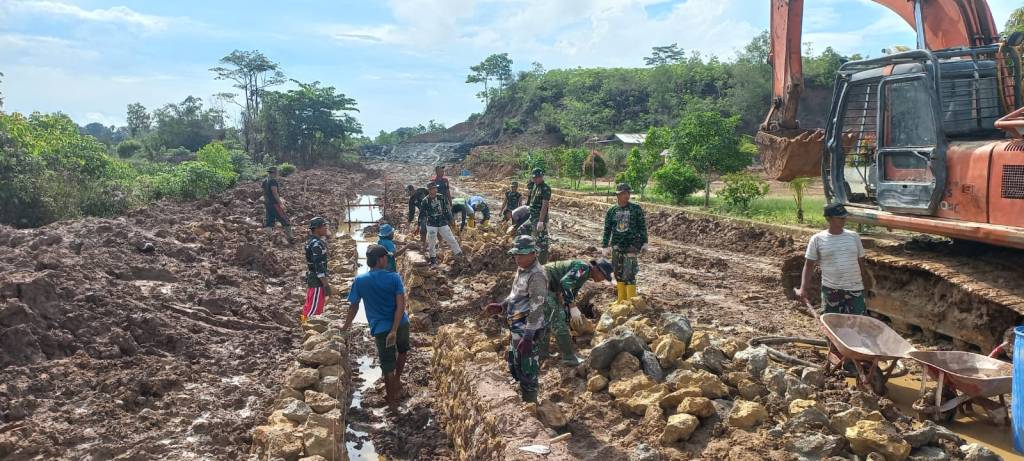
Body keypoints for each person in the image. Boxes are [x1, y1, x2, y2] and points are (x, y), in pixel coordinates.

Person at [343, 244, 410, 408]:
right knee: (402, 351)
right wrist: (394, 329)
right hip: (400, 323)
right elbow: (401, 305)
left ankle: (391, 399)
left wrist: (345, 326)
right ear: (380, 260)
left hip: (381, 329)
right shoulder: (394, 277)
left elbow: (354, 306)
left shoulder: (360, 280)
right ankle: (398, 379)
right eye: (385, 257)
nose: (387, 259)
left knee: (387, 364)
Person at [483, 235, 548, 403]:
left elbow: (537, 308)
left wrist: (527, 337)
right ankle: (521, 399)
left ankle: (530, 405)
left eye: (521, 255)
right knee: (515, 364)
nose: (517, 258)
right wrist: (502, 305)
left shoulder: (537, 276)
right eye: (516, 255)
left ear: (533, 253)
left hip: (529, 329)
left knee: (528, 370)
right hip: (517, 325)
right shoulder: (522, 269)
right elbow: (515, 294)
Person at [795, 203, 873, 314]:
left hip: (855, 289)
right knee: (833, 323)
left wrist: (865, 285)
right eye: (840, 218)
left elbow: (861, 263)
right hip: (831, 290)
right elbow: (809, 265)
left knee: (857, 324)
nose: (844, 220)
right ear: (828, 218)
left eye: (845, 217)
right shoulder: (817, 239)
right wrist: (803, 288)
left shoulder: (854, 236)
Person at [541, 258, 614, 366]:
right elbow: (565, 282)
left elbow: (569, 290)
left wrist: (568, 309)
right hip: (540, 282)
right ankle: (569, 357)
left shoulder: (584, 274)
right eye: (603, 276)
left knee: (548, 318)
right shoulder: (583, 268)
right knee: (557, 318)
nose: (602, 280)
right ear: (598, 270)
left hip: (544, 284)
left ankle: (542, 353)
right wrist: (572, 306)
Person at [601, 183, 648, 301]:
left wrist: (644, 242)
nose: (627, 196)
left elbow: (642, 226)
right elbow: (607, 229)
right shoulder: (612, 211)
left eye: (628, 193)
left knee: (629, 273)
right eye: (624, 193)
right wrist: (605, 245)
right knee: (618, 273)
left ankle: (631, 301)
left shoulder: (636, 209)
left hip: (632, 246)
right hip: (617, 246)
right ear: (618, 195)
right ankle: (621, 300)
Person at [419, 182, 463, 266]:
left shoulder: (441, 197)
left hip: (442, 222)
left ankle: (459, 254)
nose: (435, 190)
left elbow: (447, 210)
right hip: (431, 223)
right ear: (429, 190)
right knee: (432, 243)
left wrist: (451, 221)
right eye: (433, 188)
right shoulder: (425, 201)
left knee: (451, 238)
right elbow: (422, 215)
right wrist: (421, 227)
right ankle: (433, 260)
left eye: (436, 188)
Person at [302, 217, 331, 324]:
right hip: (317, 281)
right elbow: (318, 267)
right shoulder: (316, 244)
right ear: (317, 229)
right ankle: (307, 326)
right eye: (324, 226)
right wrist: (326, 284)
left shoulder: (312, 241)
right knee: (313, 308)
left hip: (313, 278)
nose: (326, 228)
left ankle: (307, 325)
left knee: (311, 304)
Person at [263, 166, 294, 244]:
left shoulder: (265, 181)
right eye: (276, 172)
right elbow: (275, 193)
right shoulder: (273, 181)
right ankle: (291, 238)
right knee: (285, 219)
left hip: (267, 203)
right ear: (274, 172)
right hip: (274, 204)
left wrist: (266, 201)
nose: (277, 174)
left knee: (269, 220)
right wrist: (280, 203)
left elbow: (264, 193)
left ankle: (269, 237)